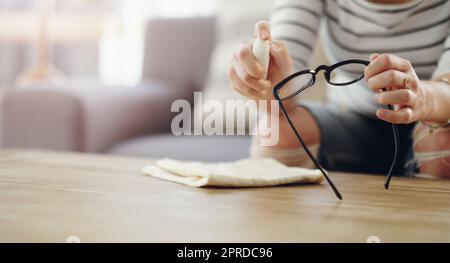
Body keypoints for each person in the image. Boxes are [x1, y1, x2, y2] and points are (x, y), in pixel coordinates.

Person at [227, 0, 450, 178]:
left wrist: (425, 100)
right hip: (353, 120)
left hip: (439, 119)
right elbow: (281, 92)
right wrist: (268, 86)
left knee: (442, 141)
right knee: (275, 131)